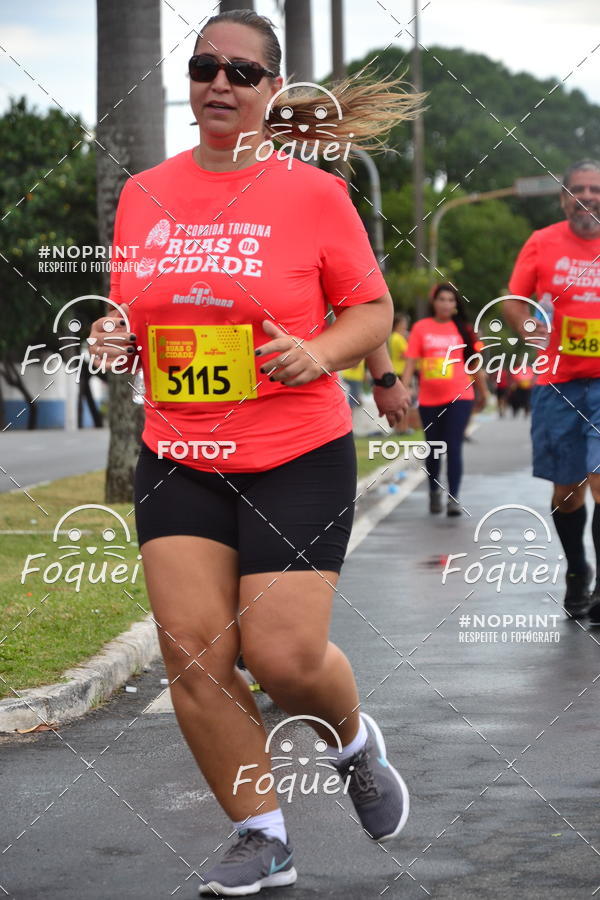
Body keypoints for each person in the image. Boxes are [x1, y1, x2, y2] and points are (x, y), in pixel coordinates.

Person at [88, 9, 421, 896]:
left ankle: (353, 744)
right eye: (205, 67)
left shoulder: (313, 194)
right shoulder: (143, 192)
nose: (220, 84)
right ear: (189, 81)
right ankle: (260, 833)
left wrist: (320, 352)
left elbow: (372, 310)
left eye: (241, 72)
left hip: (296, 453)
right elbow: (136, 313)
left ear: (273, 91)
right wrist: (115, 337)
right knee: (194, 656)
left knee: (281, 658)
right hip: (181, 453)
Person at [505, 159, 600, 621]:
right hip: (558, 384)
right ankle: (578, 569)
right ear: (565, 198)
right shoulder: (541, 243)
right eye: (579, 188)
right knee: (568, 492)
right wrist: (529, 330)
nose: (589, 196)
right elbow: (515, 301)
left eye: (596, 188)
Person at [402, 283, 488, 516]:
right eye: (442, 299)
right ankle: (433, 492)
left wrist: (484, 391)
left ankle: (453, 498)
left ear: (456, 305)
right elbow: (410, 362)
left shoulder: (463, 330)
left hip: (460, 396)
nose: (446, 304)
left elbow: (474, 364)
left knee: (454, 446)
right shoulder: (421, 328)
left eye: (451, 300)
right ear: (434, 302)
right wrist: (405, 388)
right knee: (434, 449)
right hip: (429, 399)